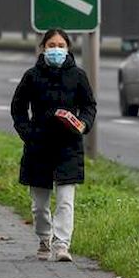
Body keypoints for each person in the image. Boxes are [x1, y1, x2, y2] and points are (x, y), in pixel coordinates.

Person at [10, 28, 96, 262]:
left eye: (60, 45)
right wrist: (28, 133)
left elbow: (89, 106)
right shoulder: (31, 76)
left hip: (69, 147)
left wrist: (83, 125)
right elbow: (18, 108)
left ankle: (61, 244)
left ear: (68, 48)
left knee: (66, 201)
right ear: (43, 48)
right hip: (39, 147)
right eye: (52, 45)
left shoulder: (78, 76)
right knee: (39, 205)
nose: (56, 50)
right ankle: (44, 238)